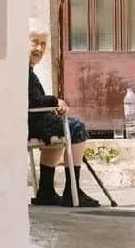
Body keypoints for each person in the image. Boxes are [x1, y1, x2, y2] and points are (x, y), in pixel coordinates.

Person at [27, 26, 100, 207]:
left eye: (43, 44)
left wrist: (51, 107)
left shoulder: (26, 70)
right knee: (75, 126)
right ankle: (71, 191)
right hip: (29, 123)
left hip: (32, 121)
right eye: (35, 43)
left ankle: (46, 191)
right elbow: (30, 101)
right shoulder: (21, 71)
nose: (39, 49)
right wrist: (55, 101)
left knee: (60, 127)